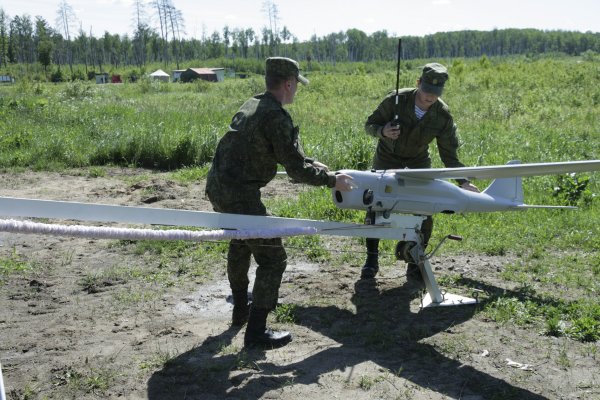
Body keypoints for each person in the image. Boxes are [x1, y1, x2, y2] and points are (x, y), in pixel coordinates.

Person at [205, 57, 354, 348]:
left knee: (240, 241)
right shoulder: (276, 116)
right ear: (288, 83)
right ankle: (256, 332)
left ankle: (240, 311)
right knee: (273, 258)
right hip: (240, 195)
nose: (297, 89)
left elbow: (276, 150)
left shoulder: (254, 103)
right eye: (296, 84)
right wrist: (332, 180)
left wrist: (310, 162)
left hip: (218, 187)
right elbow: (295, 171)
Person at [361, 62, 480, 279]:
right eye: (426, 91)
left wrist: (463, 181)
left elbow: (449, 154)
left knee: (425, 208)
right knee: (375, 204)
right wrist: (383, 131)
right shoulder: (395, 100)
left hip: (417, 161)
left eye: (435, 93)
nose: (430, 97)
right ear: (418, 84)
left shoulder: (442, 115)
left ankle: (415, 258)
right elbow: (370, 124)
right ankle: (371, 258)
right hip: (387, 157)